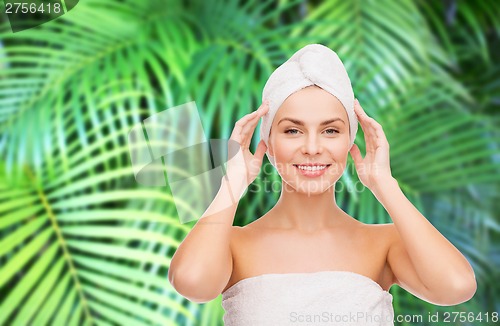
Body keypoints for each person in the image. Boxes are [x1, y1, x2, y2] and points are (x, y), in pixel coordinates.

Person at [168, 44, 477, 325]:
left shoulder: (384, 244)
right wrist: (232, 183)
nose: (313, 147)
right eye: (292, 131)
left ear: (350, 140)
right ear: (268, 141)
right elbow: (192, 282)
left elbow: (456, 287)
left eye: (330, 131)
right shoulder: (233, 245)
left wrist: (384, 183)